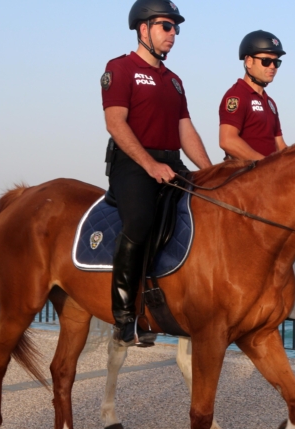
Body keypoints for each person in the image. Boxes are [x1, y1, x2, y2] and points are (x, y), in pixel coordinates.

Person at [101, 0, 212, 347]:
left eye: (176, 28)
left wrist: (213, 172)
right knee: (140, 220)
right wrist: (149, 165)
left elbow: (185, 129)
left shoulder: (174, 81)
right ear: (143, 28)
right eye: (167, 26)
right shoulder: (120, 68)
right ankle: (123, 317)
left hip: (171, 164)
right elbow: (115, 123)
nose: (173, 34)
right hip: (132, 164)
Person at [219, 30, 287, 160]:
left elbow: (280, 145)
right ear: (249, 61)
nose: (272, 66)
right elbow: (227, 140)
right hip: (246, 176)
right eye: (266, 61)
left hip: (269, 176)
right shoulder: (237, 95)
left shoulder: (270, 103)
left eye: (276, 62)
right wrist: (264, 165)